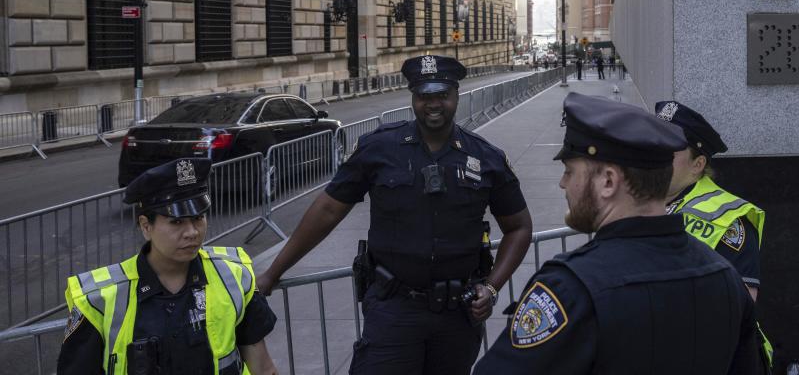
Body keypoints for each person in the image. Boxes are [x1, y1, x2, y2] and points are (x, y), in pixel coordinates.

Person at [258, 55, 533, 375]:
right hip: (393, 311)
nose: (433, 105)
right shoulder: (379, 149)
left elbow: (520, 227)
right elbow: (329, 209)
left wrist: (492, 287)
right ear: (413, 98)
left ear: (457, 95)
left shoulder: (485, 158)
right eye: (424, 96)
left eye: (442, 95)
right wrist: (273, 272)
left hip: (458, 316)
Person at [474, 93, 762, 375]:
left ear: (608, 181)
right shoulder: (725, 278)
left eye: (570, 171)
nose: (563, 183)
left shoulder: (570, 288)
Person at [58, 158, 278, 375]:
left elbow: (263, 367)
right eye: (177, 221)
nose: (192, 232)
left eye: (198, 218)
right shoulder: (98, 299)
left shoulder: (234, 275)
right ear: (146, 226)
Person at [655, 100, 772, 370]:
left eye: (668, 150)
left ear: (697, 165)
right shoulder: (643, 200)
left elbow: (739, 308)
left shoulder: (728, 219)